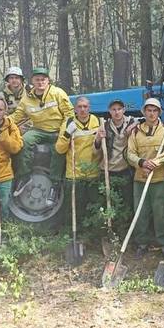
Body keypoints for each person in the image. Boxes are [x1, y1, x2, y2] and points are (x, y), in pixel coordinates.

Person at [11, 67, 74, 205]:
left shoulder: (57, 93)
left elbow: (69, 114)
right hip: (39, 130)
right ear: (32, 81)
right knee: (24, 142)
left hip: (58, 130)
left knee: (58, 150)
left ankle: (55, 185)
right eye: (37, 79)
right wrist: (0, 122)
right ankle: (25, 176)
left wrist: (64, 133)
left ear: (48, 80)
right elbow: (17, 116)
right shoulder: (27, 98)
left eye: (43, 79)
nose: (40, 82)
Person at [126, 98, 164, 257]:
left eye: (155, 111)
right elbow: (130, 154)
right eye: (149, 110)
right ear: (144, 112)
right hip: (140, 179)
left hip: (159, 179)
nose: (152, 113)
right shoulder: (135, 131)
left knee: (161, 213)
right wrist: (142, 163)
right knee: (140, 212)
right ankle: (142, 243)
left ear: (159, 112)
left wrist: (155, 162)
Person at [55, 96, 101, 233]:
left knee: (94, 207)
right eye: (79, 107)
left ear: (89, 108)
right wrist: (67, 134)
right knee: (74, 210)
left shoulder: (97, 121)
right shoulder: (69, 122)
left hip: (93, 173)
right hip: (74, 174)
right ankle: (73, 235)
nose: (82, 109)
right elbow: (59, 149)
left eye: (85, 106)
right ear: (75, 109)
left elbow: (101, 147)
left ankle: (93, 236)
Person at [94, 99, 138, 235]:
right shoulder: (104, 126)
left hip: (125, 170)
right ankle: (109, 233)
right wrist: (98, 139)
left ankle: (125, 232)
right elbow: (95, 151)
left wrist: (136, 125)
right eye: (113, 109)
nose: (117, 112)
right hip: (108, 170)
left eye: (119, 109)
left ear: (124, 110)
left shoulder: (132, 123)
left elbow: (146, 120)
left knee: (126, 203)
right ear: (109, 111)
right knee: (108, 202)